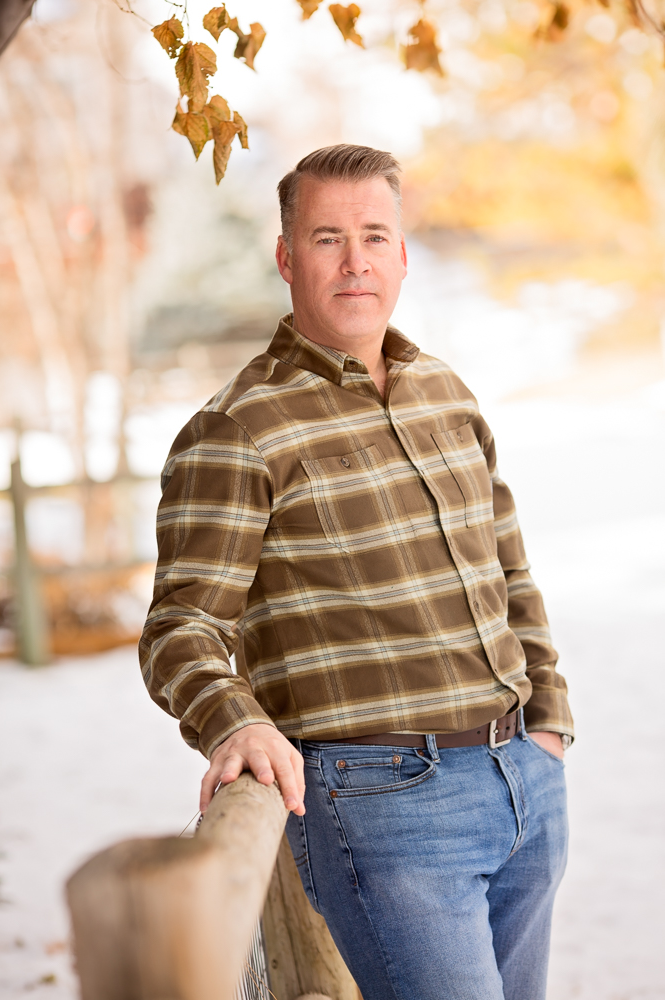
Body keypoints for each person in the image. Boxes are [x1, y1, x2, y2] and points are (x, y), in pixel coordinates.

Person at [139, 144, 573, 1000]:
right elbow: (178, 627)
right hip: (384, 804)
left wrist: (548, 722)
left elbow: (510, 568)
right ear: (286, 257)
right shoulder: (236, 428)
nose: (354, 260)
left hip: (522, 782)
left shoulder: (443, 392)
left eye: (374, 235)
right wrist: (234, 723)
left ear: (403, 254)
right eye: (327, 237)